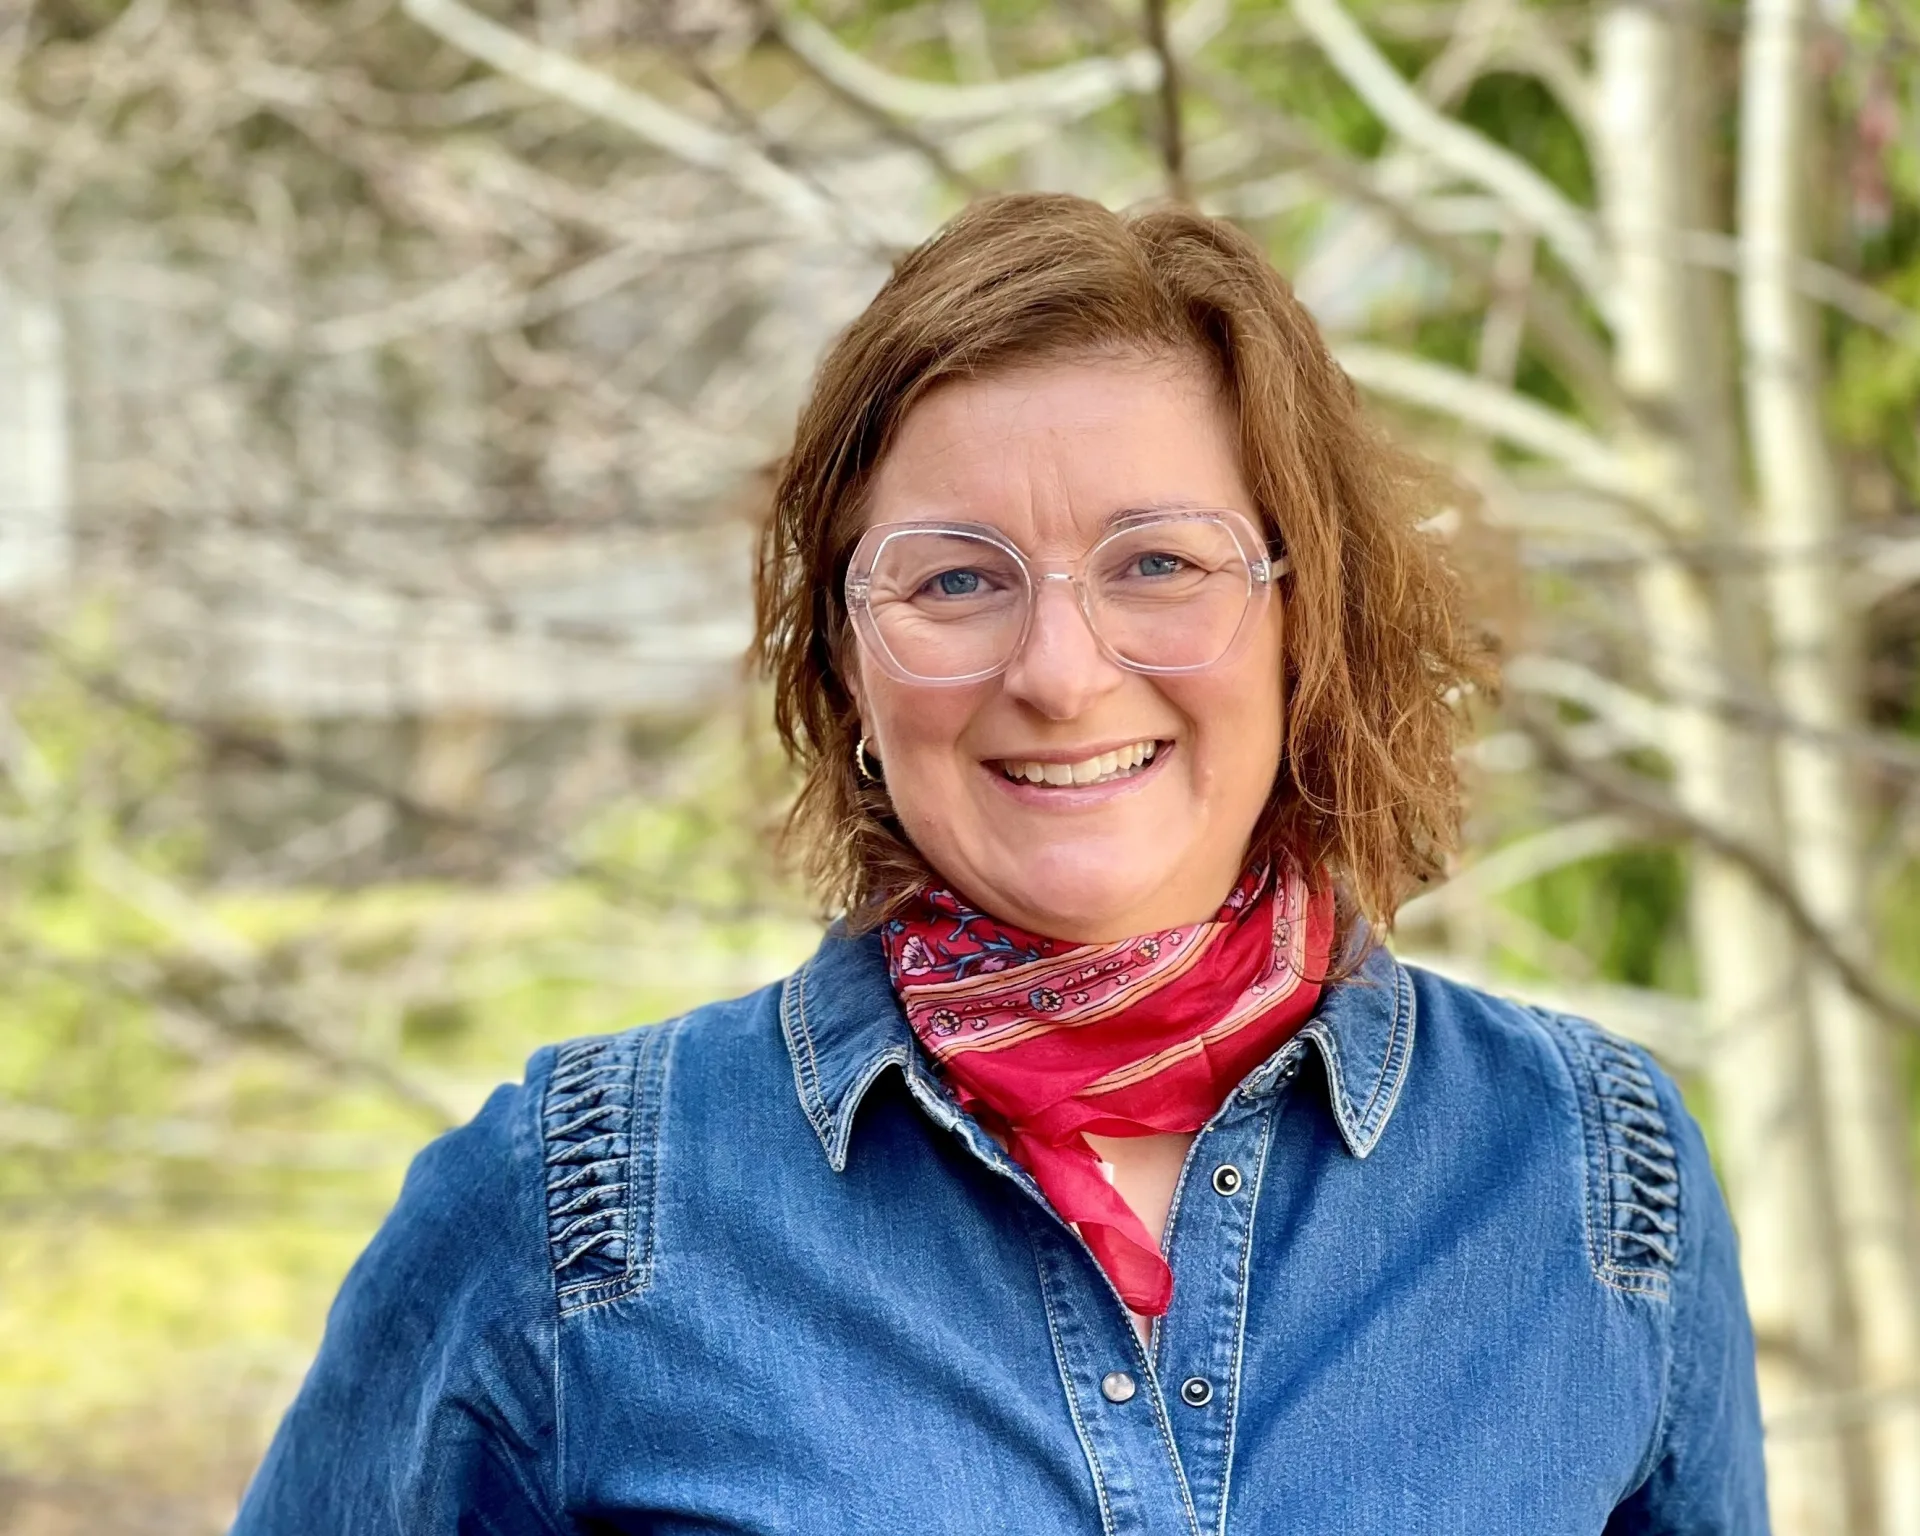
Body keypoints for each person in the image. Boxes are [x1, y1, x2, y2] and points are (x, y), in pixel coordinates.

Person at [232, 193, 1766, 1535]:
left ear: (1308, 619)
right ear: (847, 660)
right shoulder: (577, 1218)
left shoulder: (1588, 1173)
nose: (1060, 672)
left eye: (1159, 562)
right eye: (957, 581)